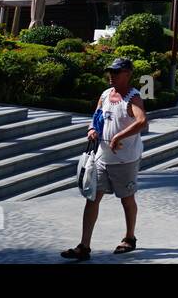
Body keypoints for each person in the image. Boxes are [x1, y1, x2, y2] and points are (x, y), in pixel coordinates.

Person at [61, 57, 146, 260]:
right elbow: (97, 115)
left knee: (126, 198)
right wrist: (92, 128)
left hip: (125, 159)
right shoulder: (106, 94)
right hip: (102, 157)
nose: (111, 76)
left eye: (116, 73)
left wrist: (119, 136)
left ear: (128, 74)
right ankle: (84, 246)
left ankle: (129, 237)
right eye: (110, 72)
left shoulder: (133, 98)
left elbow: (142, 121)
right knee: (92, 198)